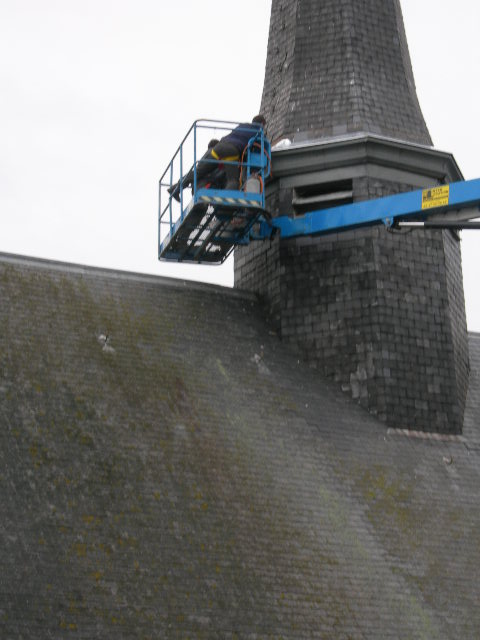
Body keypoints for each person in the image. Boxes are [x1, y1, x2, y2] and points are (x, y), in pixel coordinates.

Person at [169, 115, 266, 201]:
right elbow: (258, 149)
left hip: (218, 147)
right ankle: (225, 202)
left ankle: (175, 188)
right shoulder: (259, 132)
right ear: (262, 124)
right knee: (232, 180)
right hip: (231, 151)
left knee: (198, 172)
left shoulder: (242, 125)